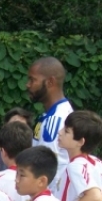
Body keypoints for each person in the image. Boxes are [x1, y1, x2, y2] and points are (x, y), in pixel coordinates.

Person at [27, 57, 73, 193]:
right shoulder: (52, 115)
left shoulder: (55, 120)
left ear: (50, 82)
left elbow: (46, 168)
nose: (28, 85)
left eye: (32, 80)